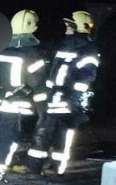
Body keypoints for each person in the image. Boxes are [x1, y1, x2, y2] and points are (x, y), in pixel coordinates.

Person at [26, 10, 100, 175]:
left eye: (69, 27)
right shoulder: (65, 45)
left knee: (62, 135)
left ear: (78, 28)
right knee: (43, 130)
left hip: (68, 98)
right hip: (54, 95)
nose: (66, 29)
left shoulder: (87, 49)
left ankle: (56, 167)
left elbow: (86, 78)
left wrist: (74, 99)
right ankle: (35, 166)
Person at [0, 9, 47, 185]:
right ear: (31, 27)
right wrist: (42, 109)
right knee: (6, 142)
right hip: (14, 104)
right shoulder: (31, 54)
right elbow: (35, 82)